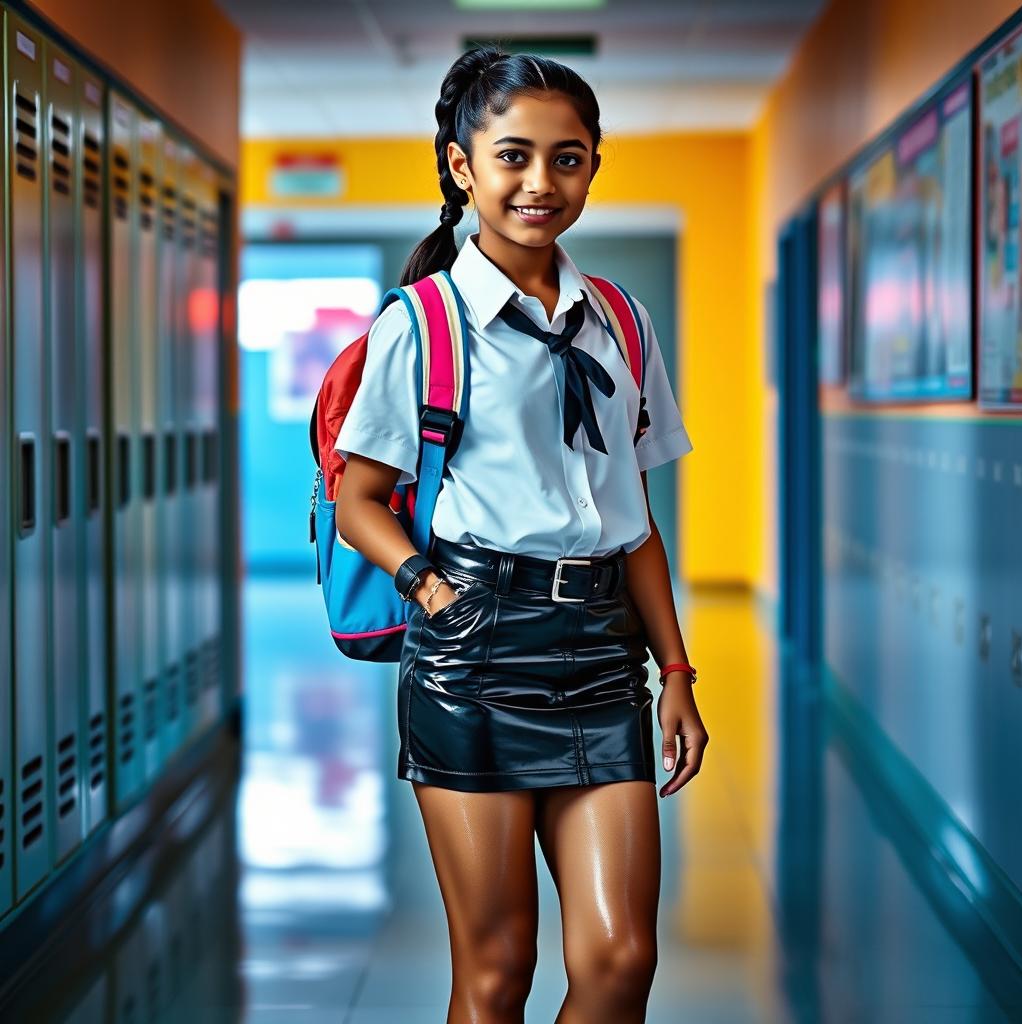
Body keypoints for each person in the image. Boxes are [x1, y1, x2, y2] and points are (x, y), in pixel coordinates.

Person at [335, 43, 709, 1024]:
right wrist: (431, 591)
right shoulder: (420, 324)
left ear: (592, 162)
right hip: (473, 654)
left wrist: (674, 673)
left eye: (568, 157)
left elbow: (630, 521)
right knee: (497, 973)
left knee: (621, 962)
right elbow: (359, 498)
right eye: (511, 156)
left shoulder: (618, 321)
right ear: (463, 166)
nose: (540, 183)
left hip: (599, 655)